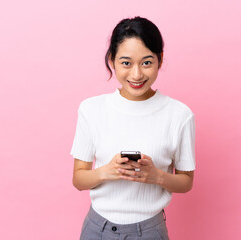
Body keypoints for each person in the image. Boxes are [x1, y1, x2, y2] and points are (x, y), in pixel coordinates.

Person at [71, 16, 196, 240]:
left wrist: (156, 176)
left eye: (147, 62)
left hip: (149, 231)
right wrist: (106, 171)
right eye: (126, 63)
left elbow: (186, 181)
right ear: (112, 60)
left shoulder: (179, 115)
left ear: (160, 59)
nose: (137, 74)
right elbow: (78, 180)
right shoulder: (91, 109)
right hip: (96, 229)